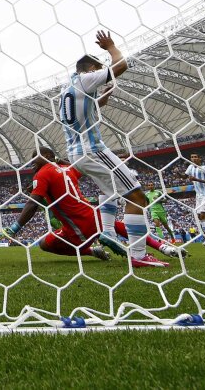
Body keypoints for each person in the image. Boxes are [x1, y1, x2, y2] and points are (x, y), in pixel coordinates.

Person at [60, 31, 165, 268]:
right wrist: (111, 47)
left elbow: (92, 105)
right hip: (93, 149)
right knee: (137, 196)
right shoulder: (86, 79)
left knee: (111, 192)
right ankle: (138, 255)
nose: (101, 76)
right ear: (89, 70)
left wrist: (104, 96)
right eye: (98, 70)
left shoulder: (68, 89)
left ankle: (107, 232)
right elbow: (121, 65)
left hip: (76, 153)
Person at [3, 146, 115, 261]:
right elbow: (78, 169)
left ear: (46, 156)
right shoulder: (66, 168)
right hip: (93, 215)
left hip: (77, 224)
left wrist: (15, 228)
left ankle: (93, 250)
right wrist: (58, 160)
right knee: (113, 225)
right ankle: (129, 247)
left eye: (35, 157)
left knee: (46, 244)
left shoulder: (43, 173)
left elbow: (32, 204)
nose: (32, 161)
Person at [185, 154, 205, 245]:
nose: (193, 158)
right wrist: (177, 172)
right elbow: (184, 176)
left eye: (195, 157)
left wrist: (196, 179)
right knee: (200, 217)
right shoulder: (190, 167)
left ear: (199, 158)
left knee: (202, 215)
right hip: (198, 196)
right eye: (192, 157)